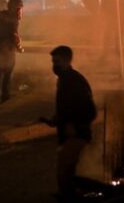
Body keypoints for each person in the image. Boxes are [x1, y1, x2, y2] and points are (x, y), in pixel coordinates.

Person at [40, 46, 96, 201]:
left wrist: (74, 125)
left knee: (64, 172)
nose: (54, 65)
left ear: (66, 60)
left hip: (76, 135)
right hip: (67, 134)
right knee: (66, 172)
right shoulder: (64, 80)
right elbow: (66, 106)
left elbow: (90, 110)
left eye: (56, 61)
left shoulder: (75, 81)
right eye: (53, 61)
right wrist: (54, 120)